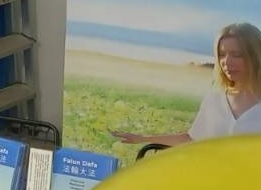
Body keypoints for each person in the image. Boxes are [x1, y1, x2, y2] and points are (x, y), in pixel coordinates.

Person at [111, 22, 261, 147]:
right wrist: (143, 139)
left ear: (255, 55)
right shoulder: (215, 99)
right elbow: (192, 138)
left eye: (237, 55)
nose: (227, 62)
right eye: (222, 55)